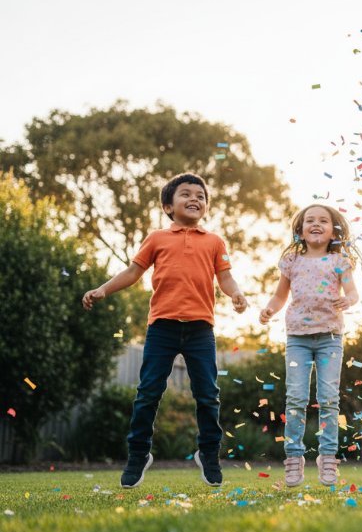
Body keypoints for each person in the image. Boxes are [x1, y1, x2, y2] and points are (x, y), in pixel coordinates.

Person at [82, 172, 248, 489]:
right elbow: (133, 272)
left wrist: (236, 294)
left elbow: (225, 278)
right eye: (186, 194)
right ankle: (138, 455)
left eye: (200, 195)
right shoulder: (158, 238)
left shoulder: (214, 242)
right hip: (163, 327)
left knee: (208, 396)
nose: (194, 199)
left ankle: (209, 454)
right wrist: (103, 290)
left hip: (200, 329)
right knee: (147, 394)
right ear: (168, 206)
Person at [259, 204, 360, 487]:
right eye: (310, 221)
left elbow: (352, 292)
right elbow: (280, 296)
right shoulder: (292, 261)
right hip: (297, 340)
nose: (316, 224)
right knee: (296, 399)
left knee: (328, 399)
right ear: (300, 231)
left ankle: (328, 457)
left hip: (329, 338)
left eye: (323, 221)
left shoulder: (339, 260)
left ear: (333, 230)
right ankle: (294, 457)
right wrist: (269, 309)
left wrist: (348, 300)